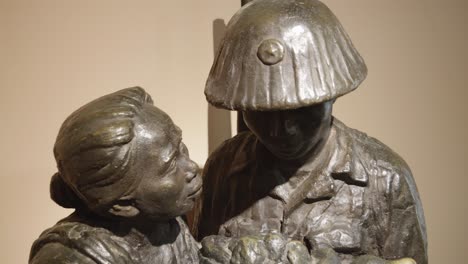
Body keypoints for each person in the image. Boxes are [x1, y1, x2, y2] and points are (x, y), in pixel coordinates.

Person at [193, 0, 427, 263]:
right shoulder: (224, 168)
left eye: (301, 110)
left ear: (332, 95)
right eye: (263, 112)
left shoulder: (385, 179)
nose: (281, 129)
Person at [29, 87, 202, 263]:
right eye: (170, 164)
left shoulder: (163, 223)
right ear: (123, 204)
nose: (192, 168)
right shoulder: (69, 258)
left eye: (180, 146)